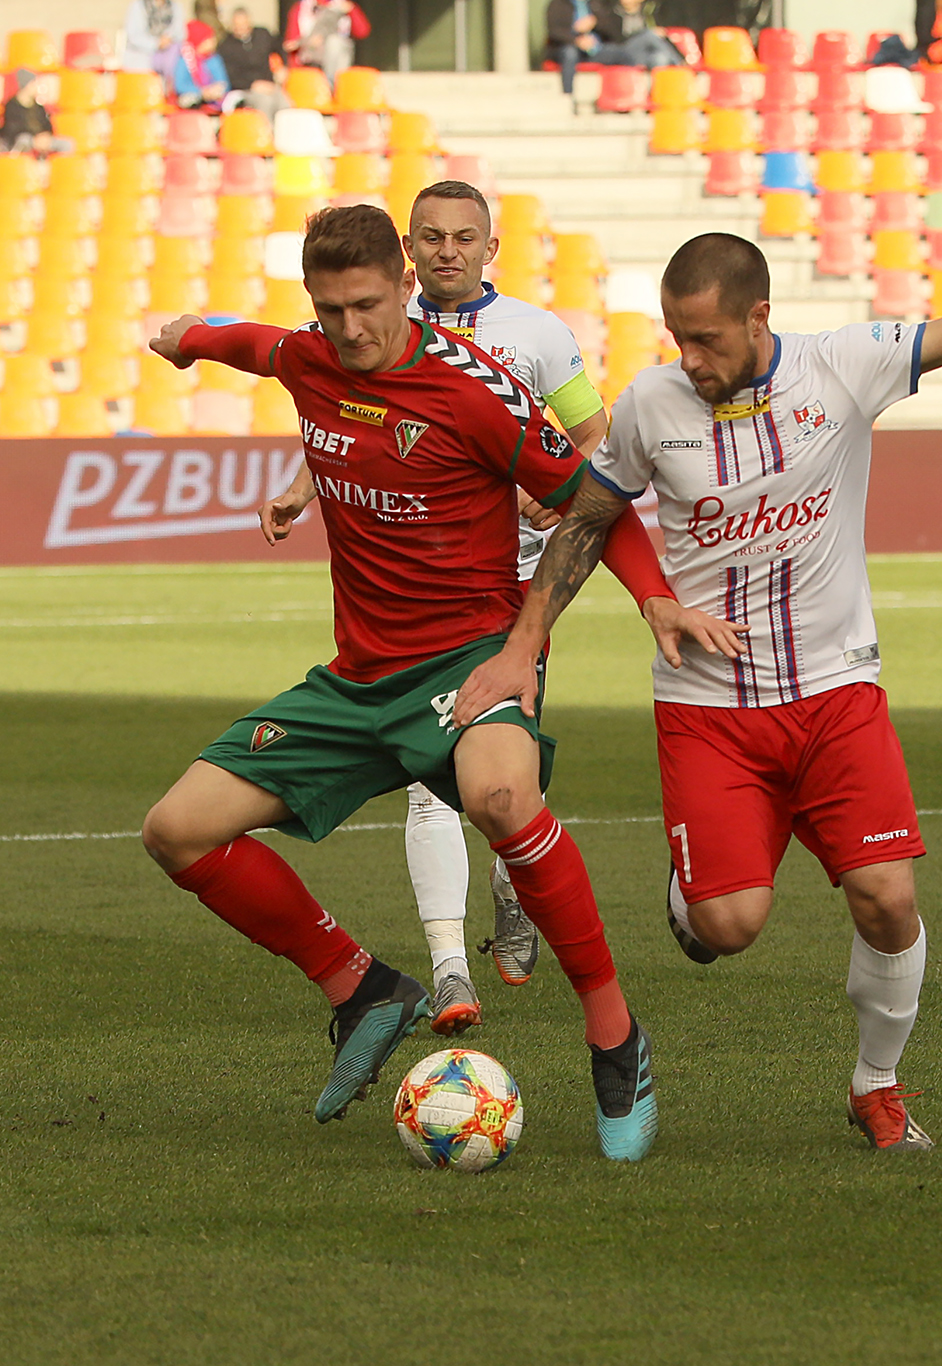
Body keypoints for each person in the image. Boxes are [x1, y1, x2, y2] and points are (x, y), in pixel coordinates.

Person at [451, 211, 942, 1154]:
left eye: (706, 338)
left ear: (759, 317)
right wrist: (524, 644)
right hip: (708, 710)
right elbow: (588, 518)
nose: (688, 358)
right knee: (727, 927)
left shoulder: (844, 365)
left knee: (888, 898)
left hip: (836, 692)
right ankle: (695, 890)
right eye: (676, 337)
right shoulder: (650, 405)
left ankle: (877, 1085)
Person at [141, 204, 715, 1160]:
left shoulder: (473, 390)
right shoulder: (311, 357)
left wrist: (653, 599)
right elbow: (254, 344)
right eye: (330, 310)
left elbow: (594, 504)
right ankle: (363, 987)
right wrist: (191, 340)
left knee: (501, 798)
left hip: (469, 659)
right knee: (176, 830)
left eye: (367, 305)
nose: (350, 329)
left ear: (405, 286)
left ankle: (616, 1039)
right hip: (357, 680)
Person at [256, 180, 614, 1035]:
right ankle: (450, 966)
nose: (448, 249)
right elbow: (349, 422)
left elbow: (592, 433)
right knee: (429, 787)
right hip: (411, 599)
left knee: (500, 791)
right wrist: (305, 488)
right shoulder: (372, 324)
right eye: (431, 236)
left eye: (463, 237)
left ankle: (513, 882)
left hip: (513, 595)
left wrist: (555, 494)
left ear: (491, 249)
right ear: (409, 253)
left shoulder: (535, 334)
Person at [215, 8, 285, 113]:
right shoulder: (225, 46)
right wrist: (253, 85)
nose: (241, 28)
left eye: (244, 24)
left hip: (270, 85)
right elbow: (231, 77)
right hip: (246, 90)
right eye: (237, 25)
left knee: (284, 103)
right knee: (266, 102)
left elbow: (280, 47)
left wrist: (283, 67)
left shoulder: (263, 34)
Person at [285, 0, 369, 84]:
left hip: (338, 62)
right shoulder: (301, 9)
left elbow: (362, 32)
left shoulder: (342, 5)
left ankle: (334, 84)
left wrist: (351, 10)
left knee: (335, 42)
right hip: (310, 62)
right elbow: (291, 45)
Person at [589, 0, 682, 70]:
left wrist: (657, 33)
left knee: (660, 57)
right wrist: (642, 35)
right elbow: (615, 39)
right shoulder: (613, 13)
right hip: (624, 50)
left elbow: (661, 39)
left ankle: (659, 88)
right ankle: (680, 63)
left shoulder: (647, 13)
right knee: (648, 34)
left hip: (642, 54)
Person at [0, 69, 71, 155]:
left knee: (67, 144)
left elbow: (47, 125)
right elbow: (12, 130)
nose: (37, 87)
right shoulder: (11, 106)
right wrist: (35, 139)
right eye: (34, 83)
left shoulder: (38, 107)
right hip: (24, 139)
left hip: (41, 139)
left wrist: (45, 136)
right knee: (24, 140)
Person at [121, 0, 190, 86]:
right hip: (140, 61)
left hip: (168, 61)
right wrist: (156, 43)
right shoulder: (139, 5)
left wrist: (168, 38)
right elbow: (133, 36)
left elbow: (180, 33)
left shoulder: (175, 7)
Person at [172, 20, 231, 109]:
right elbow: (180, 85)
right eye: (209, 39)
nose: (214, 42)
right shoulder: (185, 60)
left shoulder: (214, 59)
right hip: (195, 96)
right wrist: (201, 92)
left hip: (214, 97)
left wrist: (215, 90)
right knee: (187, 100)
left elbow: (223, 81)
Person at [545, 0, 600, 96]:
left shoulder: (595, 3)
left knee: (620, 53)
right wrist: (576, 39)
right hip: (565, 47)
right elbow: (554, 31)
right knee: (570, 53)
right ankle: (568, 96)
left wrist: (595, 21)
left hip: (593, 48)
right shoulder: (558, 4)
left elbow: (611, 28)